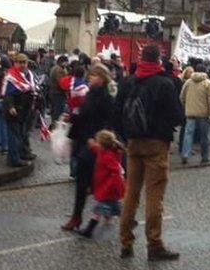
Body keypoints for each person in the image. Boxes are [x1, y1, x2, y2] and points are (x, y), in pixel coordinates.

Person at [114, 44, 183, 261]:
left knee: (131, 193)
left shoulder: (128, 81)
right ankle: (154, 244)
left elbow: (116, 112)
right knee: (154, 196)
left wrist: (125, 137)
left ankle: (126, 242)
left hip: (133, 142)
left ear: (142, 58)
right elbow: (177, 116)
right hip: (156, 142)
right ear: (159, 60)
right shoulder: (164, 83)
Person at [62, 63, 116, 231]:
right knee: (81, 183)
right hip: (84, 143)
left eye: (93, 75)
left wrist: (99, 140)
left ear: (101, 78)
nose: (89, 78)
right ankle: (76, 217)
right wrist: (71, 117)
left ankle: (110, 209)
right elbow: (84, 115)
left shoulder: (107, 98)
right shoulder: (89, 94)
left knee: (98, 182)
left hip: (96, 145)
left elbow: (109, 122)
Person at [77, 129, 126, 239]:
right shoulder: (103, 151)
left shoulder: (108, 156)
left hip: (109, 187)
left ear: (103, 144)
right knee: (116, 208)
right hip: (107, 186)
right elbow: (97, 150)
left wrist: (109, 186)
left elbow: (116, 171)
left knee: (98, 209)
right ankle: (129, 221)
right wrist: (92, 145)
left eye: (97, 141)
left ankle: (89, 230)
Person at [2, 58, 35, 168]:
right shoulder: (11, 76)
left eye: (24, 62)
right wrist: (10, 106)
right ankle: (14, 159)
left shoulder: (26, 75)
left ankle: (19, 155)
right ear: (14, 63)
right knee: (14, 136)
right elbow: (8, 93)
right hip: (14, 111)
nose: (22, 64)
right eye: (19, 62)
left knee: (20, 134)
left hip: (23, 111)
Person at [179, 70, 210, 165]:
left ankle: (185, 154)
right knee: (204, 136)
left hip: (190, 112)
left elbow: (182, 97)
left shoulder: (188, 82)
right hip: (204, 114)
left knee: (188, 134)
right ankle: (205, 157)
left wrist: (186, 106)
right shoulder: (208, 83)